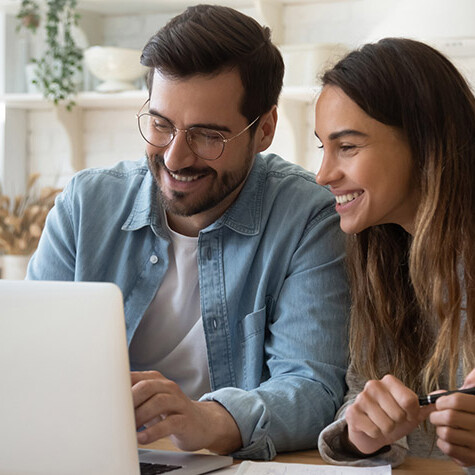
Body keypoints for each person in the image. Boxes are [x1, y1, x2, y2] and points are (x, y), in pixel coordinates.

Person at [27, 4, 350, 460]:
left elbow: (312, 388)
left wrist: (207, 420)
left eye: (207, 135)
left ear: (265, 130)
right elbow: (26, 360)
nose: (175, 158)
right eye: (160, 125)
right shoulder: (85, 206)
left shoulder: (307, 219)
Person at [314, 37, 475, 470]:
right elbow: (360, 393)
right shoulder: (382, 258)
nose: (323, 174)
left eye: (346, 147)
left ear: (425, 144)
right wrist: (361, 435)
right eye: (322, 148)